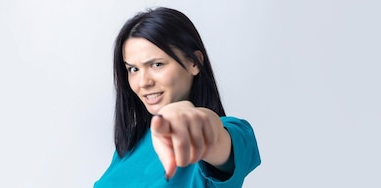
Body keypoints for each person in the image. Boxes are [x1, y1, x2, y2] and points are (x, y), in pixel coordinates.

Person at [94, 7, 261, 187]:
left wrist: (190, 119)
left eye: (157, 64)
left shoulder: (229, 132)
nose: (143, 82)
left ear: (193, 62)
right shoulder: (132, 138)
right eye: (133, 69)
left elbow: (214, 136)